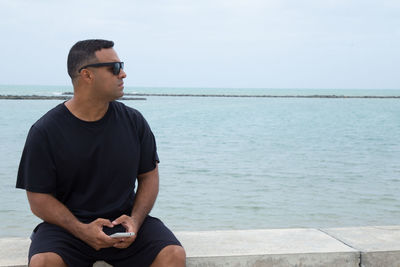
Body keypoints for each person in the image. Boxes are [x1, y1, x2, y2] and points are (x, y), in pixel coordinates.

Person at [16, 39, 186, 267]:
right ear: (87, 75)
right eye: (115, 67)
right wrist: (81, 230)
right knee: (43, 262)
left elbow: (148, 176)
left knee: (173, 255)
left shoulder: (134, 122)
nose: (123, 74)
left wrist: (135, 221)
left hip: (124, 224)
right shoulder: (45, 131)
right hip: (68, 229)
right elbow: (38, 199)